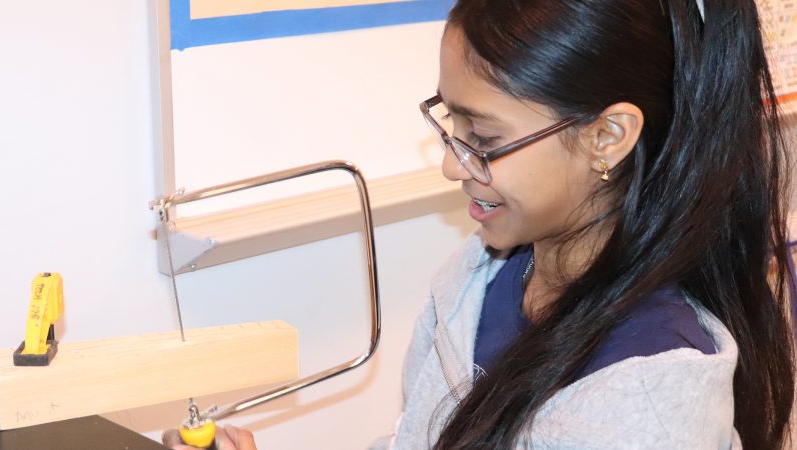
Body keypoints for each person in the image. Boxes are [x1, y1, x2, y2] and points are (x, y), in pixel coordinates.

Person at [165, 0, 796, 448]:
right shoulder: (477, 277)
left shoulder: (647, 397)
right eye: (449, 123)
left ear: (608, 136)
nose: (450, 164)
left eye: (484, 138)